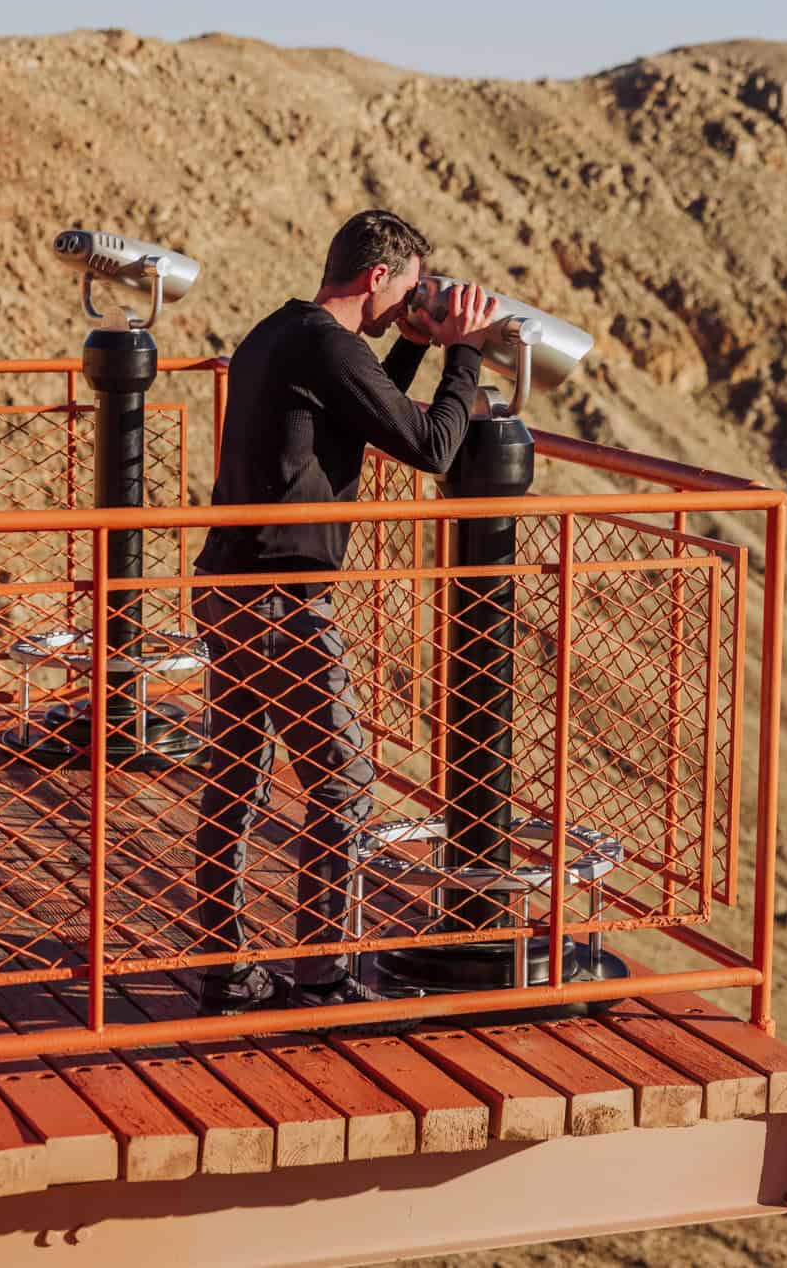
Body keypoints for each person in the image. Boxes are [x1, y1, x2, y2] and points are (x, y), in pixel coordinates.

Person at [190, 209, 500, 1013]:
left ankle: (223, 966)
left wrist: (419, 344)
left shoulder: (284, 333)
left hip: (227, 586)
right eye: (404, 292)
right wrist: (465, 350)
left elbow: (362, 405)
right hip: (280, 600)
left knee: (238, 781)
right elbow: (430, 445)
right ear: (376, 279)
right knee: (345, 785)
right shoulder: (327, 346)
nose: (407, 304)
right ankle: (320, 976)